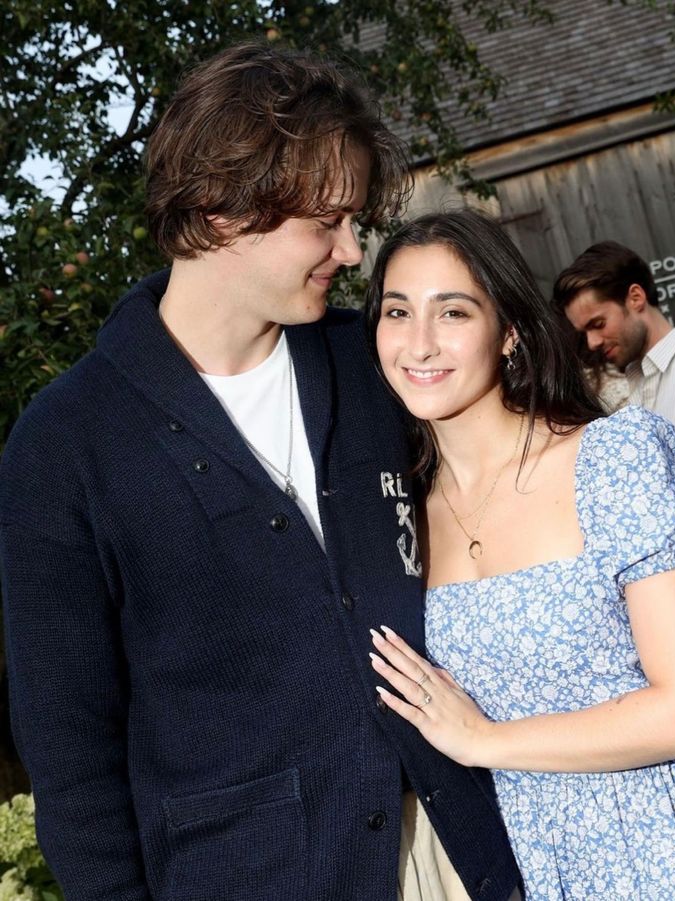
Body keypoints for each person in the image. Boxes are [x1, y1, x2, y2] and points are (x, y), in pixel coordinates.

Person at [0, 47, 521, 900]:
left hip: (463, 852)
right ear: (219, 212)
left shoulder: (374, 364)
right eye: (326, 224)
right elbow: (70, 751)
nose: (353, 251)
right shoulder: (64, 445)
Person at [363, 209, 675, 899]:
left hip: (660, 847)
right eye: (396, 311)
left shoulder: (613, 457)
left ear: (508, 330)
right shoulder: (400, 514)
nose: (418, 343)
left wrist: (483, 740)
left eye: (452, 312)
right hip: (526, 863)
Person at [553, 241, 675, 781]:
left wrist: (673, 509)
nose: (591, 340)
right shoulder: (625, 389)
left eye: (597, 323)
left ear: (636, 298)